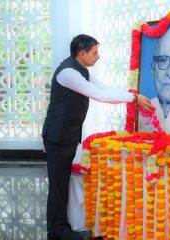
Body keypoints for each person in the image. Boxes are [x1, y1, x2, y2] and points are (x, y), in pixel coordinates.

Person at [42, 34, 153, 240]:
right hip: (57, 136)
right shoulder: (68, 73)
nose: (98, 57)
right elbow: (99, 95)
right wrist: (133, 99)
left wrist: (132, 95)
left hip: (67, 134)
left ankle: (60, 226)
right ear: (82, 54)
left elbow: (104, 88)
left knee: (63, 182)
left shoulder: (81, 69)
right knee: (58, 184)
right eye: (95, 53)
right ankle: (57, 230)